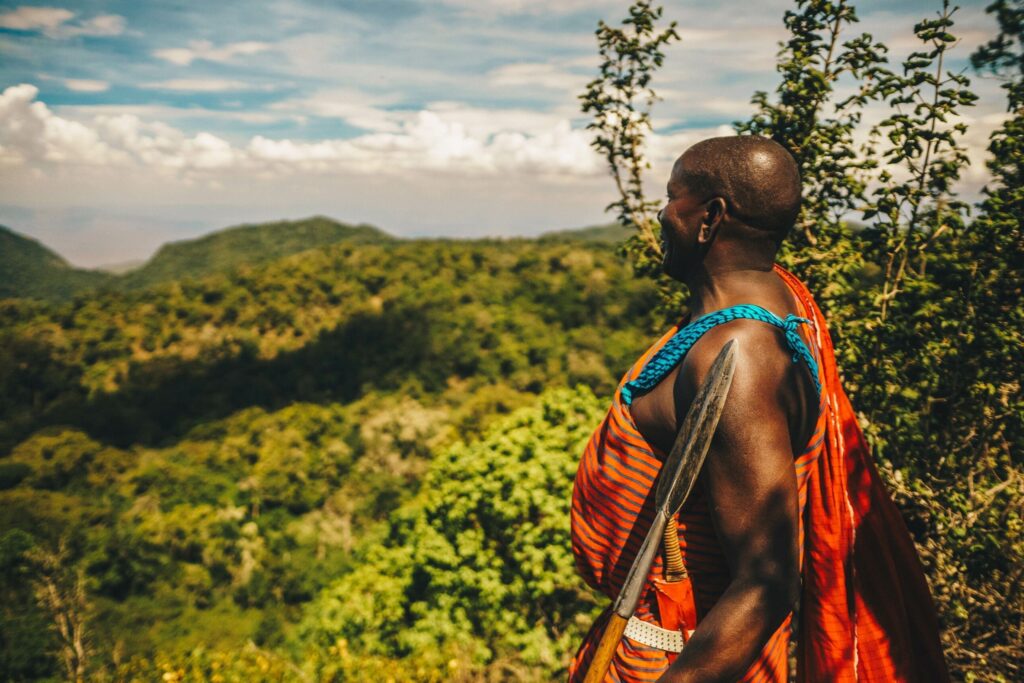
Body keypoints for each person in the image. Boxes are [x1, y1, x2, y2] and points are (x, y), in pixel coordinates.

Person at [568, 136, 949, 682]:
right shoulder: (767, 312)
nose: (661, 213)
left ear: (710, 217)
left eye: (674, 197)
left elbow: (766, 582)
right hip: (647, 640)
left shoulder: (740, 357)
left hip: (680, 656)